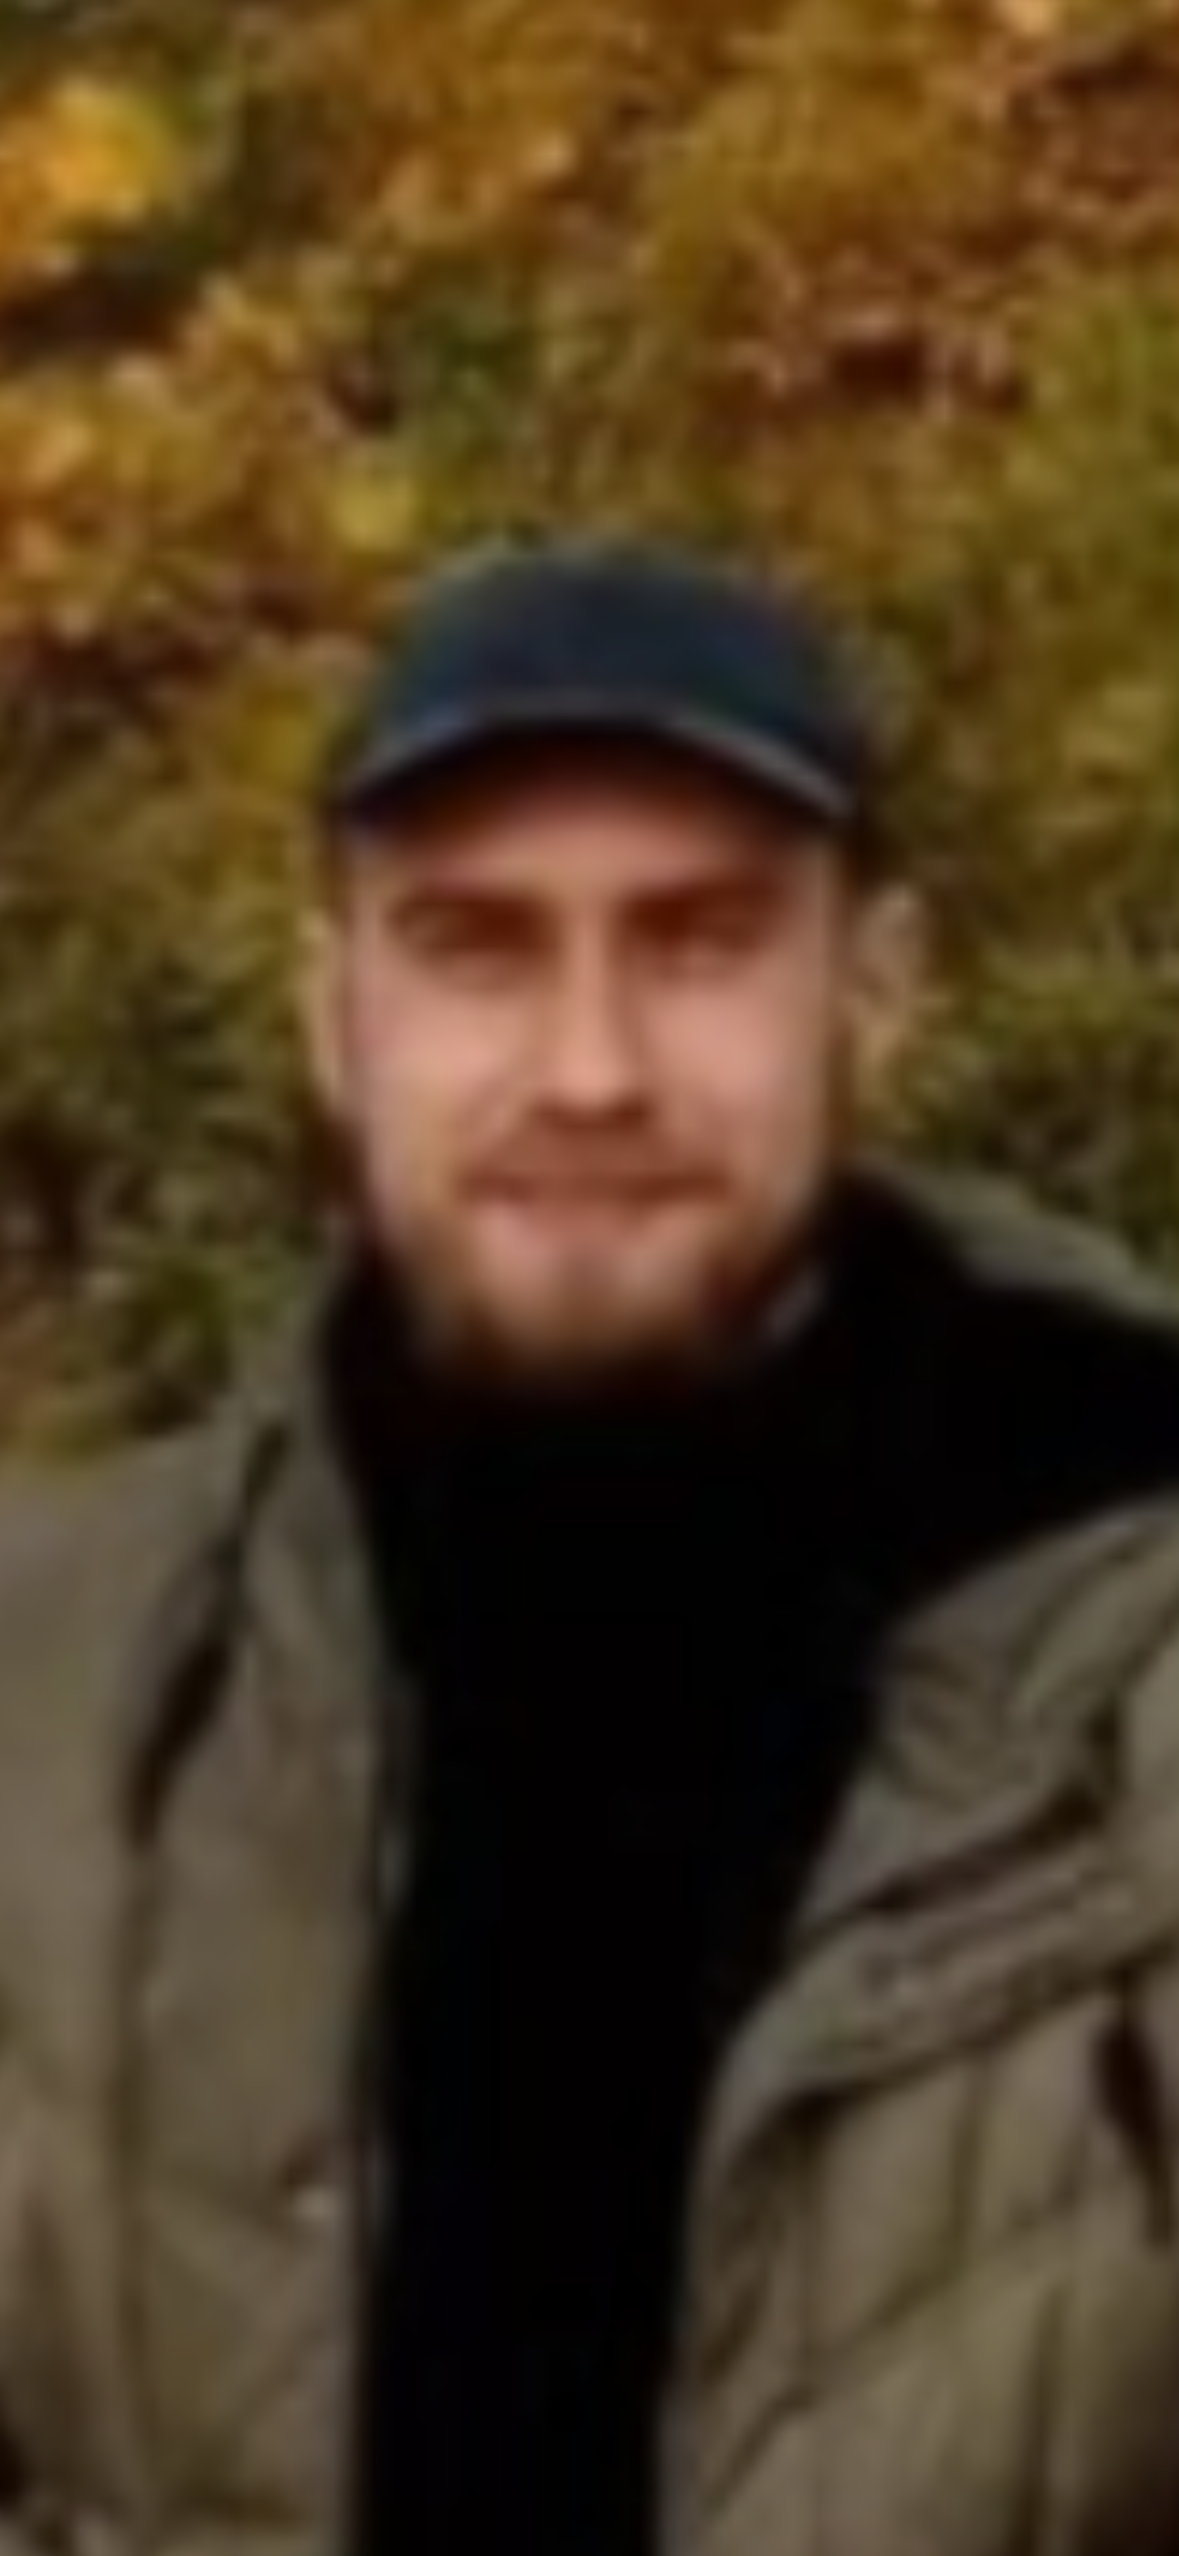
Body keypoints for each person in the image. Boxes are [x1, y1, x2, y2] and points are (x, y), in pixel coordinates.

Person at [3, 542, 1179, 2556]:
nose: (590, 1069)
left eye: (701, 940)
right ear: (331, 1013)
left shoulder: (1130, 1630)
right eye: (474, 947)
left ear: (875, 989)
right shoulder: (62, 1684)